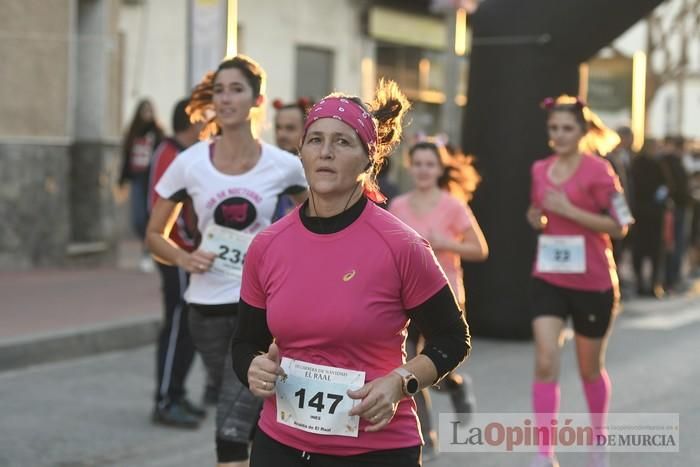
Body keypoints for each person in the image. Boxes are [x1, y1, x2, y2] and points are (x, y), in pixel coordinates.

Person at [231, 81, 471, 467]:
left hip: (376, 451)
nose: (325, 152)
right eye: (315, 140)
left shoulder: (401, 246)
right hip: (280, 444)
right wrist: (251, 367)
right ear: (301, 152)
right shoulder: (267, 245)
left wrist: (401, 382)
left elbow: (452, 338)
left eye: (342, 142)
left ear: (369, 159)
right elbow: (245, 343)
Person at [146, 55, 308, 467]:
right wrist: (184, 257)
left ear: (257, 100)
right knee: (245, 399)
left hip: (261, 308)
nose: (225, 98)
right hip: (207, 307)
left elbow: (321, 222)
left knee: (238, 411)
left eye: (236, 90)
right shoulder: (190, 162)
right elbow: (153, 235)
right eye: (219, 90)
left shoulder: (284, 165)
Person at [526, 96, 633, 467]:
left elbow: (620, 226)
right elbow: (537, 214)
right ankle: (544, 451)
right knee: (544, 359)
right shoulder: (540, 169)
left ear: (583, 131)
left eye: (567, 128)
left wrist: (570, 211)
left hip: (593, 281)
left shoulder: (600, 171)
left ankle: (598, 439)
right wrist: (536, 216)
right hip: (550, 277)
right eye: (553, 128)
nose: (558, 135)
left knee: (589, 368)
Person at [389, 139, 488, 458]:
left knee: (434, 365)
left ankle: (456, 385)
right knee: (406, 366)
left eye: (429, 164)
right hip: (404, 297)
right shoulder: (399, 206)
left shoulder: (453, 205)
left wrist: (447, 243)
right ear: (410, 166)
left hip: (445, 296)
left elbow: (480, 249)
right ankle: (425, 436)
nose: (423, 170)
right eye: (417, 164)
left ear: (440, 168)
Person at [147, 98, 205, 428]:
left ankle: (177, 392)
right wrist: (193, 243)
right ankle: (165, 399)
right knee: (177, 326)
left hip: (186, 254)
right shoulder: (173, 154)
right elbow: (168, 211)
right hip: (177, 255)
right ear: (194, 121)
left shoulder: (182, 153)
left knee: (187, 329)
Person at [120, 98, 165, 272]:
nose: (147, 114)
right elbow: (126, 157)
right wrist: (122, 178)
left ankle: (148, 252)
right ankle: (147, 246)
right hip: (136, 179)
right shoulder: (132, 133)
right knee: (137, 219)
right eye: (144, 111)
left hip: (151, 181)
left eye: (149, 111)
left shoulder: (158, 133)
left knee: (148, 216)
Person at [630, 139, 669, 298]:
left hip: (653, 215)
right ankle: (641, 283)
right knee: (640, 251)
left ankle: (653, 283)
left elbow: (666, 185)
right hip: (641, 214)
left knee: (654, 252)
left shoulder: (658, 164)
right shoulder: (638, 164)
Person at [271, 97, 312, 220]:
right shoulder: (267, 165)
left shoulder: (319, 170)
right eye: (278, 128)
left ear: (307, 131)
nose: (281, 134)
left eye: (290, 128)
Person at [660, 135, 691, 292]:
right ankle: (671, 279)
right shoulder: (669, 161)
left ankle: (672, 278)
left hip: (678, 207)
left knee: (675, 244)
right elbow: (674, 186)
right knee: (673, 244)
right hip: (675, 208)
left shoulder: (672, 161)